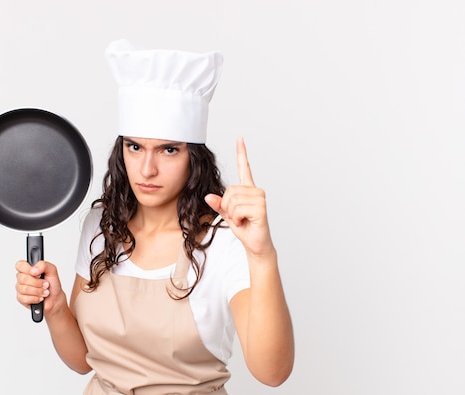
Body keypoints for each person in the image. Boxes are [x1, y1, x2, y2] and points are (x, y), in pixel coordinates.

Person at [15, 39, 294, 394]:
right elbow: (85, 359)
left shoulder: (223, 240)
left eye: (168, 149)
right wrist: (55, 308)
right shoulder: (102, 226)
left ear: (193, 157)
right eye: (135, 147)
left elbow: (273, 373)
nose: (147, 169)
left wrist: (262, 255)